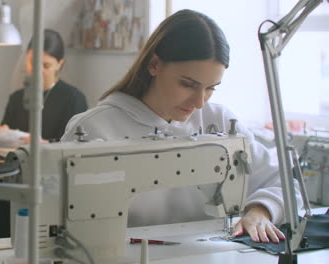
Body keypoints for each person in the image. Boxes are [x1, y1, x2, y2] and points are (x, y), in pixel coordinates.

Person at [61, 10, 303, 244]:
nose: (199, 102)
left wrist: (261, 211)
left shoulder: (218, 120)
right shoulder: (94, 129)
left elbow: (285, 182)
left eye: (211, 88)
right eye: (188, 84)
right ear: (154, 64)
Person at [0, 29, 88, 238]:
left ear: (60, 63)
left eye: (46, 65)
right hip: (15, 175)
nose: (37, 71)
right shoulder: (17, 98)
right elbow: (2, 143)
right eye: (33, 63)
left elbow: (76, 149)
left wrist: (42, 142)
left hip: (48, 180)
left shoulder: (73, 98)